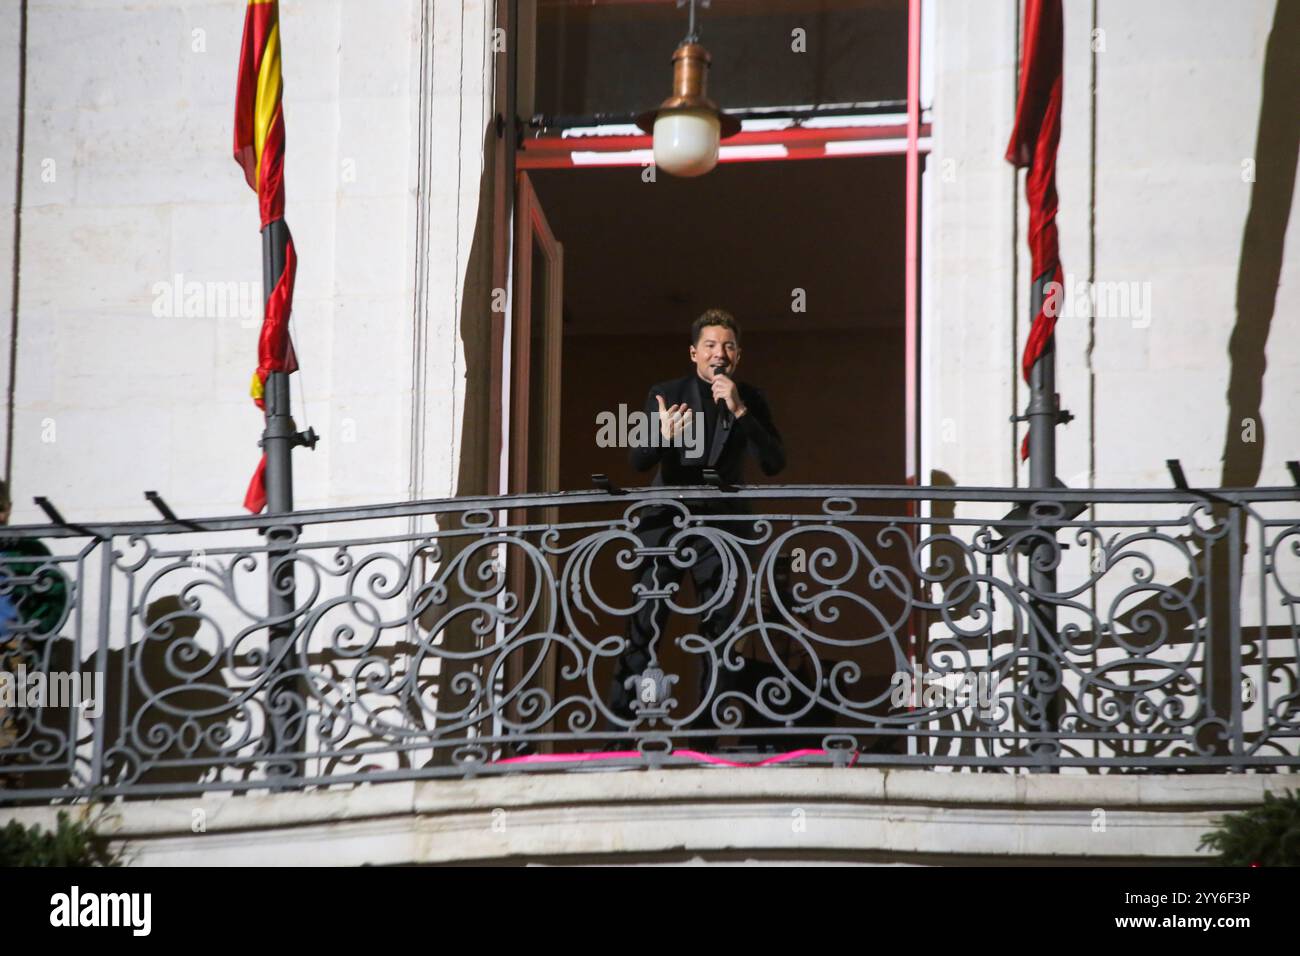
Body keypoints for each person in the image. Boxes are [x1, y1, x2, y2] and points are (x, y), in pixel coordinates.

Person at [609, 309, 785, 747]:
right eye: (709, 346)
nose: (718, 354)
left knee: (719, 631)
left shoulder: (750, 399)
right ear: (694, 353)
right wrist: (661, 435)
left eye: (727, 346)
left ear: (737, 356)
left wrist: (740, 410)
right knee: (646, 626)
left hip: (723, 529)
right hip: (666, 527)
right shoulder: (667, 394)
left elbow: (774, 463)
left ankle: (705, 738)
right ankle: (618, 736)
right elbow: (637, 462)